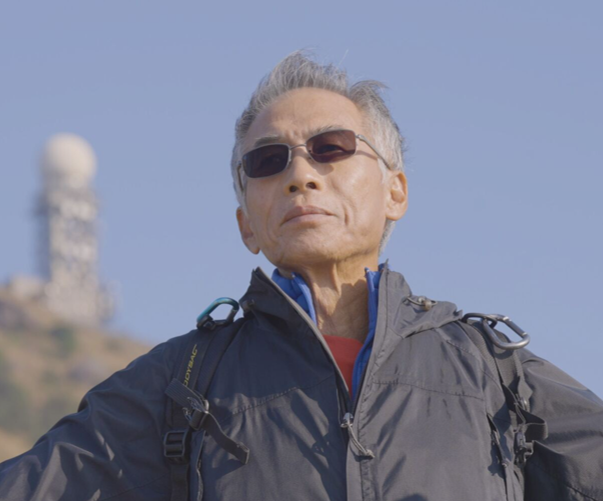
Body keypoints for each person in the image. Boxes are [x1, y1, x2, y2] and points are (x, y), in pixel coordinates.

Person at [1, 51, 602, 501]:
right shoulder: (179, 385)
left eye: (332, 147)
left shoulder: (492, 371)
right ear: (247, 227)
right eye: (268, 161)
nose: (300, 175)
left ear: (396, 191)